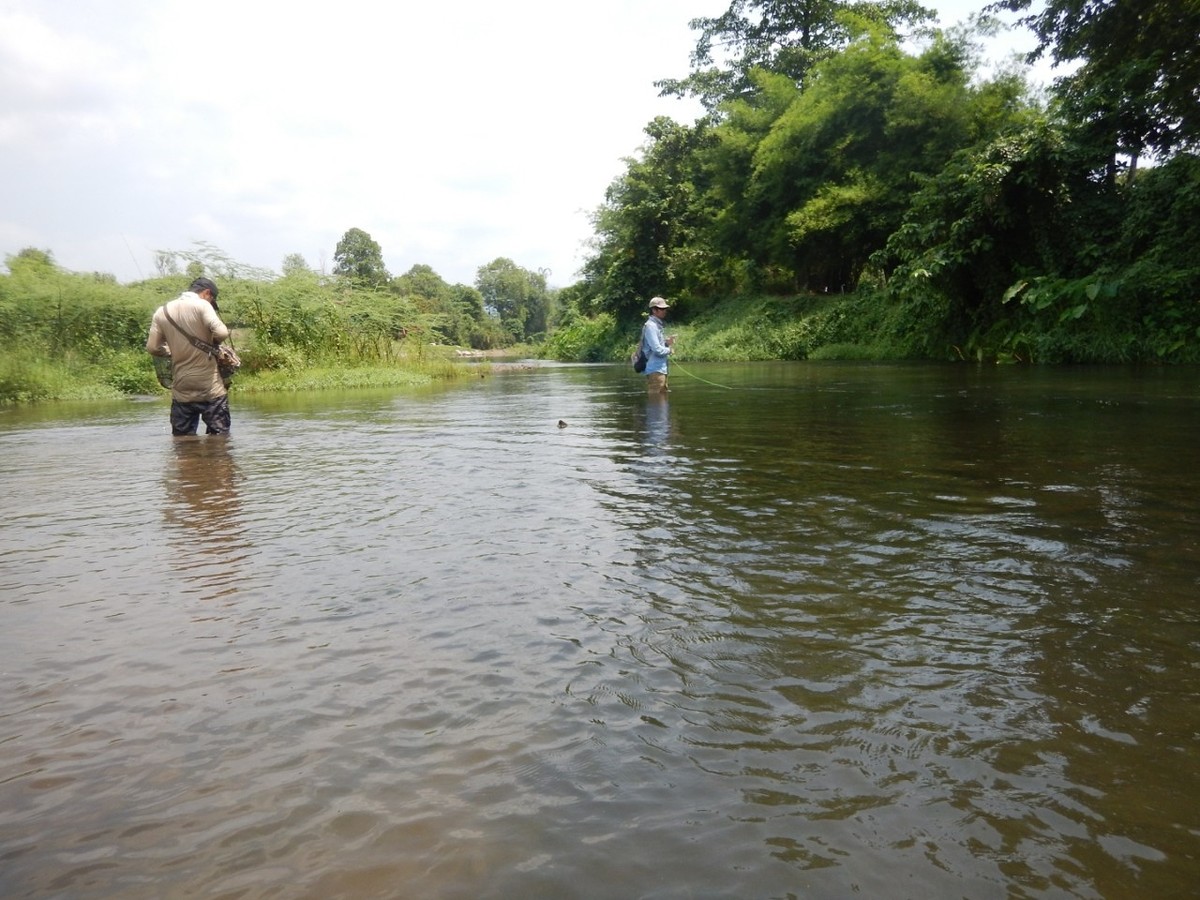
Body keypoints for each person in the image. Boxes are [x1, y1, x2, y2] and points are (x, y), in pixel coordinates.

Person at [146, 277, 232, 436]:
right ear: (207, 293)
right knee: (220, 442)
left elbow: (152, 347)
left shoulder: (162, 311)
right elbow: (222, 332)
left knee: (182, 442)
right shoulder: (202, 305)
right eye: (212, 299)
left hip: (182, 388)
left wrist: (171, 351)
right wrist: (213, 344)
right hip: (210, 387)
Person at [640, 296, 676, 393]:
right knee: (657, 402)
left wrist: (666, 343)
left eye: (665, 309)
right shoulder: (651, 326)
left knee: (661, 401)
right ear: (654, 310)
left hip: (660, 369)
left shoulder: (657, 325)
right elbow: (656, 349)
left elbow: (656, 346)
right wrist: (669, 350)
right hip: (655, 370)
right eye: (661, 309)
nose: (664, 311)